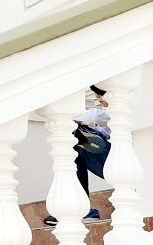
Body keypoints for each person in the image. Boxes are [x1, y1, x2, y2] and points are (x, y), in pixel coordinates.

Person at [44, 85, 108, 226]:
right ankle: (80, 208)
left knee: (76, 146)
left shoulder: (112, 111)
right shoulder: (103, 113)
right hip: (110, 159)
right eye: (97, 96)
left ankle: (81, 209)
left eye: (100, 96)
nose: (98, 99)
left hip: (119, 162)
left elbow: (93, 116)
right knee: (75, 147)